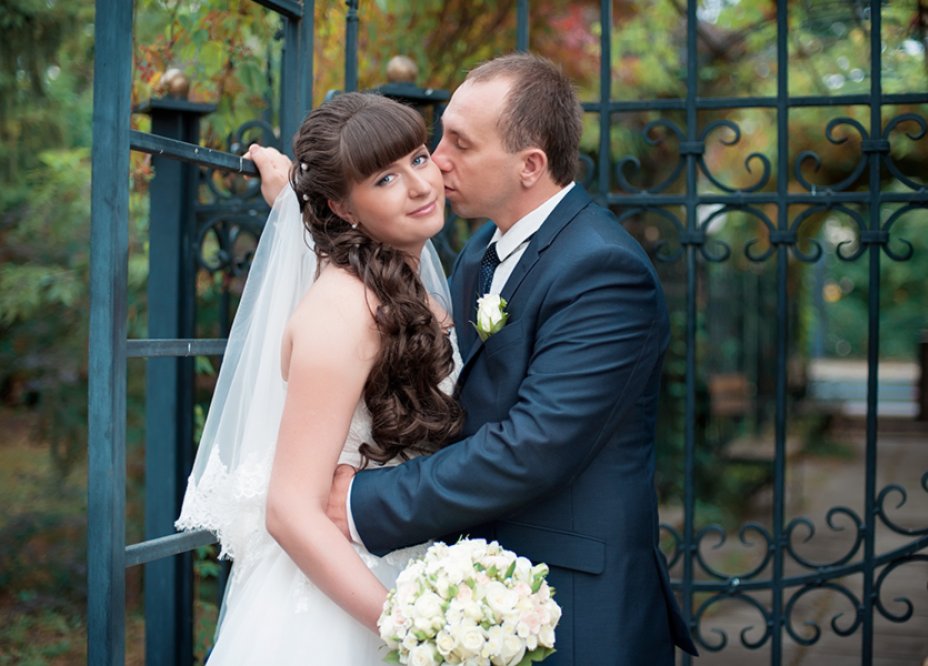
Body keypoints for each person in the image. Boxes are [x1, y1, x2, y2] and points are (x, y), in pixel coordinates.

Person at [325, 53, 700, 664]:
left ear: (530, 165)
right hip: (481, 588)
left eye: (461, 143)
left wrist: (361, 501)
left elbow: (534, 445)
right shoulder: (481, 251)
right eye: (441, 136)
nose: (437, 158)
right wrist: (311, 203)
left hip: (574, 605)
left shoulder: (603, 270)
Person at [175, 92, 464, 664]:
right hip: (340, 608)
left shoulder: (398, 287)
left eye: (418, 158)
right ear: (342, 207)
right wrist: (410, 628)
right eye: (385, 178)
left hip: (408, 561)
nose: (420, 185)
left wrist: (286, 197)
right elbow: (289, 510)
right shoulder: (341, 312)